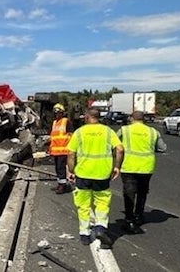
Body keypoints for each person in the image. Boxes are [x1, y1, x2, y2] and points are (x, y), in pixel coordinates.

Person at [67, 107, 124, 249]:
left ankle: (84, 234)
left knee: (83, 205)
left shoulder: (79, 132)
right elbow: (120, 149)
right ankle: (100, 228)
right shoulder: (108, 131)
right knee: (102, 202)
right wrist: (117, 166)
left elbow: (70, 153)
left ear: (87, 116)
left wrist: (71, 170)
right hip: (102, 174)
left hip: (83, 174)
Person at [117, 111, 167, 234]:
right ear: (143, 119)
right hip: (146, 167)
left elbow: (114, 143)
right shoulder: (153, 132)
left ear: (131, 118)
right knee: (142, 191)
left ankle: (129, 218)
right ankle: (139, 215)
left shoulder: (124, 130)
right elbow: (162, 148)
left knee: (129, 193)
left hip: (129, 166)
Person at [49, 103, 73, 194]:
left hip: (63, 150)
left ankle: (63, 186)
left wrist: (71, 150)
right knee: (58, 169)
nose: (57, 115)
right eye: (56, 113)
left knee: (61, 168)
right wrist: (50, 148)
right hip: (55, 151)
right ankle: (60, 184)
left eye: (59, 113)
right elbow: (53, 137)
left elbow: (71, 136)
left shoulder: (66, 122)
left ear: (62, 113)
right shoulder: (55, 123)